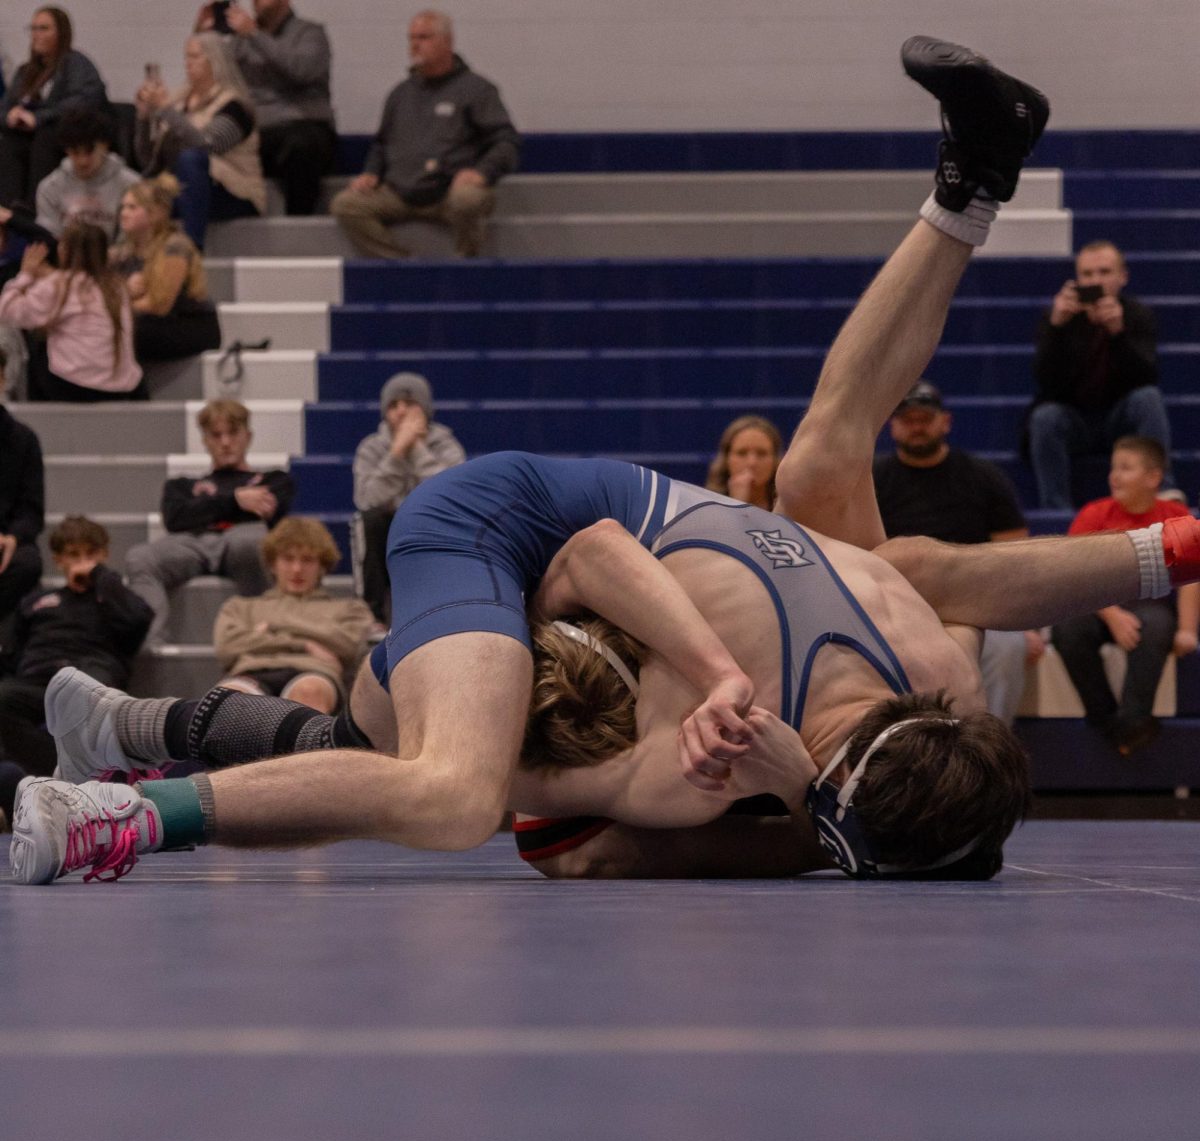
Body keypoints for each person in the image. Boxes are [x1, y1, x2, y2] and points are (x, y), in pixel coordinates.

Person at [23, 37, 1200, 888]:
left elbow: (949, 575)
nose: (799, 834)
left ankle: (970, 193)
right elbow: (565, 802)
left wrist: (1158, 557)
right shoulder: (733, 700)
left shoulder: (928, 657)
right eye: (819, 823)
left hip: (596, 559)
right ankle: (105, 817)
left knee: (823, 470)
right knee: (448, 791)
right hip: (506, 527)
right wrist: (674, 739)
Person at [872, 380, 1043, 724]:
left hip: (976, 605)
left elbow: (1015, 556)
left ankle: (987, 752)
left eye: (926, 418)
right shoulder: (872, 480)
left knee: (1009, 647)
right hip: (895, 605)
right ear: (892, 425)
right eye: (908, 419)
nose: (918, 426)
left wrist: (1027, 625)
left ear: (945, 422)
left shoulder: (984, 478)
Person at [330, 10, 520, 259]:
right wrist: (371, 173)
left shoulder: (476, 89)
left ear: (447, 42)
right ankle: (403, 266)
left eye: (424, 37)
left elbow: (506, 141)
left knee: (468, 200)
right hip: (400, 191)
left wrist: (482, 172)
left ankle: (467, 263)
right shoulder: (400, 94)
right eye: (411, 39)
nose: (415, 45)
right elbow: (381, 144)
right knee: (347, 204)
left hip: (449, 191)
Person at [1050, 437, 1198, 756]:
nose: (1114, 476)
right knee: (1069, 630)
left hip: (1151, 602)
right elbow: (1075, 575)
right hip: (1097, 602)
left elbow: (1190, 579)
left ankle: (1133, 718)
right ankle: (1109, 721)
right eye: (1114, 467)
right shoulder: (1094, 514)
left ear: (1153, 478)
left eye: (1126, 468)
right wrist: (1113, 614)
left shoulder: (1175, 514)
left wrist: (1188, 630)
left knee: (1156, 626)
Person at [123, 399, 295, 651]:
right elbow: (175, 519)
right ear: (205, 440)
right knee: (139, 557)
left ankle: (262, 640)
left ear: (247, 436)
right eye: (216, 435)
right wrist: (237, 501)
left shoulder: (274, 479)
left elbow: (270, 511)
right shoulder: (181, 485)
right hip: (192, 545)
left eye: (233, 433)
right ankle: (151, 649)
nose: (225, 442)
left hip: (243, 543)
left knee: (249, 543)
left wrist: (205, 509)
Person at [0, 515, 151, 775]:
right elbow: (13, 653)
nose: (82, 561)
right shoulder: (38, 601)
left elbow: (138, 620)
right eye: (73, 554)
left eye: (91, 554)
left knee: (97, 700)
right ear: (58, 560)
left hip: (90, 677)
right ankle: (60, 771)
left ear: (104, 554)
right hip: (38, 679)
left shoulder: (114, 599)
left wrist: (99, 575)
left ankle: (74, 775)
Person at [1028, 241, 1175, 509]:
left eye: (1105, 272)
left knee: (1148, 398)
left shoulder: (1137, 314)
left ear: (1123, 277)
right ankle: (1055, 510)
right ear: (1077, 279)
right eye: (1087, 274)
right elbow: (1045, 383)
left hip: (1121, 420)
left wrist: (1118, 333)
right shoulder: (1058, 318)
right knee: (1045, 417)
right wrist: (1056, 329)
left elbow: (1147, 376)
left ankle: (1164, 492)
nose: (1096, 280)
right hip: (1075, 419)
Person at [214, 516, 372, 713]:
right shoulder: (240, 607)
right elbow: (227, 648)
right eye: (288, 559)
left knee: (310, 691)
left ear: (322, 566)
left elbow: (347, 647)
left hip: (314, 672)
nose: (297, 569)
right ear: (272, 564)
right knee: (229, 697)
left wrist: (268, 629)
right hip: (252, 671)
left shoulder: (350, 609)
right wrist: (305, 644)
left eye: (307, 560)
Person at [194, 0, 336, 216]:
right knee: (209, 142)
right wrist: (203, 35)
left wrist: (254, 34)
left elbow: (302, 70)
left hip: (302, 126)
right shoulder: (239, 40)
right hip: (258, 132)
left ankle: (298, 226)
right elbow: (213, 76)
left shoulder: (310, 33)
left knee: (301, 145)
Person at [135, 32, 267, 250]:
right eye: (186, 57)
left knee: (190, 160)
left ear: (215, 60)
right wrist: (143, 118)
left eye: (195, 57)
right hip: (183, 188)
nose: (188, 63)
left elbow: (208, 145)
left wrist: (166, 111)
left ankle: (192, 249)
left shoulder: (235, 106)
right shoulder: (178, 102)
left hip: (233, 191)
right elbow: (148, 161)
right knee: (136, 194)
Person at [352, 372, 465, 625]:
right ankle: (373, 615)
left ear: (425, 409)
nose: (401, 411)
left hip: (432, 525)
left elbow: (451, 497)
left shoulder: (447, 445)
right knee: (367, 520)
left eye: (409, 403)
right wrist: (396, 453)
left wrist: (415, 449)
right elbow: (366, 500)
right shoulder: (371, 448)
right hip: (386, 530)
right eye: (393, 405)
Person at [0, 222, 143, 402]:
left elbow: (6, 311)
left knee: (37, 343)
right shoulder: (117, 287)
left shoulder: (58, 286)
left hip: (73, 386)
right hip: (120, 388)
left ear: (65, 250)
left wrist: (25, 274)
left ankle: (37, 413)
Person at [0, 7, 107, 209]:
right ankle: (7, 211)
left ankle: (36, 208)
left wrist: (38, 117)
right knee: (9, 142)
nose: (36, 35)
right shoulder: (26, 71)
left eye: (43, 28)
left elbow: (84, 101)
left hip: (58, 134)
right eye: (33, 29)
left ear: (61, 32)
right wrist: (9, 116)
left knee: (44, 138)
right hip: (26, 135)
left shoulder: (77, 64)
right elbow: (5, 106)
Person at [109, 175, 223, 362]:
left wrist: (116, 304)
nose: (123, 213)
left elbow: (159, 304)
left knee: (126, 329)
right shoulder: (122, 252)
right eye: (123, 207)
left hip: (189, 325)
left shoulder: (175, 247)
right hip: (153, 322)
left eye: (132, 207)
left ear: (155, 213)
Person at [33, 107, 138, 239]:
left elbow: (132, 242)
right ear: (66, 150)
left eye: (89, 151)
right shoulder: (50, 188)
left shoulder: (132, 185)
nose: (83, 161)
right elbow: (49, 238)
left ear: (105, 145)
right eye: (75, 152)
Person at [0, 348, 44, 630]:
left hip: (3, 541)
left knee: (27, 564)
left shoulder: (22, 439)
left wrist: (13, 537)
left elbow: (32, 510)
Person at [705, 414, 782, 510]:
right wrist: (737, 503)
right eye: (742, 453)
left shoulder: (789, 508)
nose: (752, 463)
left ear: (775, 460)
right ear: (726, 459)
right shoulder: (707, 507)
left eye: (762, 453)